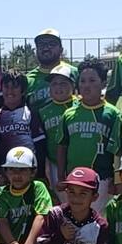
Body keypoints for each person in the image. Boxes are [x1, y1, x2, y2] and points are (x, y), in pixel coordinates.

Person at [55, 59, 120, 214]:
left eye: (92, 80)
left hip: (102, 178)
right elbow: (62, 146)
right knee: (75, 217)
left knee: (97, 219)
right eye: (82, 81)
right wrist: (60, 176)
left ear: (103, 83)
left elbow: (118, 149)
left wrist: (117, 179)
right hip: (75, 178)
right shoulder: (69, 114)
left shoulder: (112, 114)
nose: (86, 85)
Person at [0, 70, 44, 187]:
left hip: (28, 171)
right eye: (6, 87)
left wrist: (40, 173)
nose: (10, 91)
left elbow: (40, 144)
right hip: (7, 173)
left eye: (14, 87)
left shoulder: (31, 113)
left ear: (23, 90)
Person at [34, 63, 76, 199]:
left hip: (77, 162)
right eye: (54, 84)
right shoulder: (43, 111)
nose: (58, 88)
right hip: (54, 163)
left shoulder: (80, 105)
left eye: (63, 83)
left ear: (73, 85)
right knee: (62, 200)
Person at [26, 29, 78, 111]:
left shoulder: (74, 72)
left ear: (61, 49)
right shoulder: (27, 79)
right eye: (41, 44)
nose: (46, 48)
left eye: (51, 44)